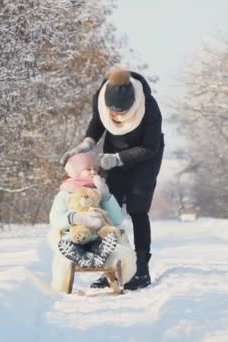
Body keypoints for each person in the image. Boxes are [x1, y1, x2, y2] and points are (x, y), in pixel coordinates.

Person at [60, 67, 164, 290]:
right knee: (108, 208)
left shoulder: (150, 107)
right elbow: (98, 122)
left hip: (145, 159)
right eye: (112, 112)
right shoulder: (100, 96)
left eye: (120, 113)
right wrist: (86, 144)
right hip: (112, 155)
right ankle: (110, 268)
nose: (115, 116)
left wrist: (117, 159)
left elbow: (150, 147)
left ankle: (141, 270)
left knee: (138, 209)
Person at [47, 152, 137, 293]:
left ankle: (100, 255)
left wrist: (106, 195)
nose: (93, 171)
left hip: (98, 240)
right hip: (74, 238)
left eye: (95, 169)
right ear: (75, 172)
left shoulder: (99, 192)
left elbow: (117, 219)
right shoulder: (65, 194)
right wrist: (75, 218)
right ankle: (79, 257)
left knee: (122, 252)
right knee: (68, 250)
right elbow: (55, 219)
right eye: (88, 169)